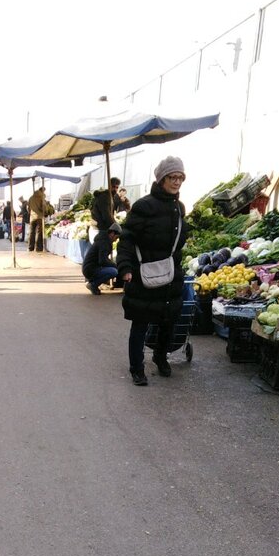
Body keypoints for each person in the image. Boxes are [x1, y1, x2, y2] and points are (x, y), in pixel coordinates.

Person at [116, 156, 189, 386]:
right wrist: (125, 267)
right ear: (161, 179)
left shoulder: (179, 207)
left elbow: (178, 241)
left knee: (168, 320)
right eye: (172, 177)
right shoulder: (144, 206)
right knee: (141, 322)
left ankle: (160, 357)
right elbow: (127, 239)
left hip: (169, 273)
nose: (176, 182)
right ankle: (137, 368)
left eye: (180, 178)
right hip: (144, 273)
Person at [82, 221, 122, 294]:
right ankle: (93, 284)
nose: (115, 240)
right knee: (113, 271)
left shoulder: (102, 240)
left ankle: (92, 282)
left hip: (89, 268)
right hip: (91, 269)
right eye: (116, 237)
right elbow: (103, 260)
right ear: (112, 234)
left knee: (112, 269)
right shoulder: (104, 243)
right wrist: (115, 266)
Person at [27, 185, 50, 252]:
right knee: (39, 232)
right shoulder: (41, 197)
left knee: (32, 232)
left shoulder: (31, 198)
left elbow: (28, 208)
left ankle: (30, 247)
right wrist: (46, 212)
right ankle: (38, 248)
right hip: (39, 217)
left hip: (32, 217)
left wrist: (31, 213)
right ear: (43, 191)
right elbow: (43, 207)